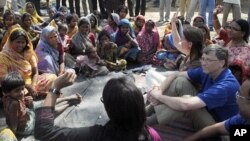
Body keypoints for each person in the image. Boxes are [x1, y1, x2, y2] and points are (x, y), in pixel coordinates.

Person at [34, 72, 161, 141]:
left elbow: (44, 131)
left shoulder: (96, 135)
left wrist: (55, 88)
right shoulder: (152, 135)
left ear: (109, 107)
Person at [147, 45, 240, 131]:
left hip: (219, 127)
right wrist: (159, 90)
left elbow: (186, 105)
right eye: (203, 59)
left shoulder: (225, 85)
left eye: (208, 60)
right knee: (180, 81)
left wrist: (160, 97)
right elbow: (176, 74)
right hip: (207, 111)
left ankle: (144, 123)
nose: (203, 63)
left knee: (186, 103)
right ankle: (145, 111)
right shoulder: (209, 71)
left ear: (221, 63)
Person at [1, 72, 81, 136]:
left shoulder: (10, 97)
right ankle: (69, 103)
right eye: (17, 90)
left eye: (22, 88)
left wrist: (29, 103)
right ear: (7, 92)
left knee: (45, 103)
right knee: (48, 114)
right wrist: (13, 135)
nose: (22, 92)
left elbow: (21, 110)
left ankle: (69, 98)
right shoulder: (14, 103)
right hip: (26, 127)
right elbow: (14, 124)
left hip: (28, 114)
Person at [185, 75, 250, 141]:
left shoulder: (227, 84)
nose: (236, 99)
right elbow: (216, 129)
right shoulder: (243, 118)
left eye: (239, 95)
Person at [0, 28, 56, 94]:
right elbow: (3, 78)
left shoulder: (28, 53)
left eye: (23, 42)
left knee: (53, 77)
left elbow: (35, 72)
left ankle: (32, 92)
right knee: (15, 91)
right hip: (14, 84)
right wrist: (27, 87)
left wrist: (33, 85)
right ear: (10, 42)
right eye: (18, 42)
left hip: (30, 81)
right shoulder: (4, 56)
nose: (20, 45)